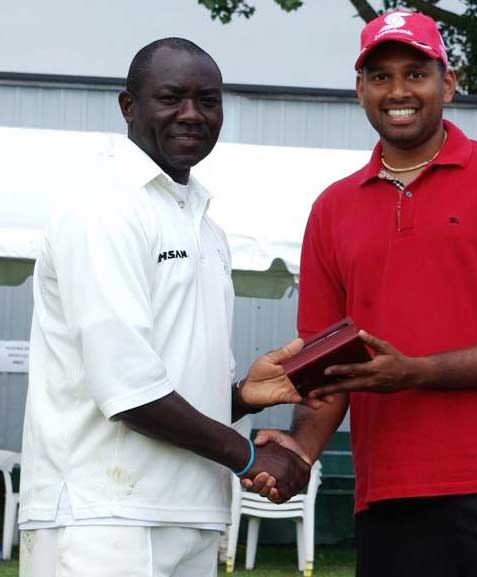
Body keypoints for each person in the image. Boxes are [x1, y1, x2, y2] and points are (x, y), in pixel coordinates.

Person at [251, 10, 477, 577]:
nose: (398, 91)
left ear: (446, 82)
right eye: (380, 76)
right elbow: (328, 369)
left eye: (415, 73)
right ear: (360, 92)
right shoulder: (333, 209)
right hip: (391, 494)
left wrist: (416, 371)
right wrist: (300, 450)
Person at [18, 38, 311, 577]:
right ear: (129, 106)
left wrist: (242, 396)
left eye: (209, 100)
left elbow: (167, 381)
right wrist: (248, 456)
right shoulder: (103, 208)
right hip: (103, 520)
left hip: (189, 510)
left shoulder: (203, 222)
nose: (192, 115)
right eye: (172, 97)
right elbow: (128, 391)